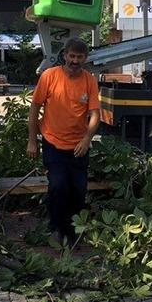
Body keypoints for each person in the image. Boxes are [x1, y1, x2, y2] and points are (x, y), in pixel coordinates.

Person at [27, 38, 100, 244]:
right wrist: (32, 141)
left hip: (78, 146)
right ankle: (56, 227)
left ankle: (73, 228)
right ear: (65, 55)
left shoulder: (89, 80)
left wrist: (87, 139)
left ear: (85, 58)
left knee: (79, 189)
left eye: (80, 57)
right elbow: (34, 109)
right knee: (58, 185)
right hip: (53, 142)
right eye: (72, 56)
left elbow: (95, 114)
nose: (75, 60)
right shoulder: (49, 76)